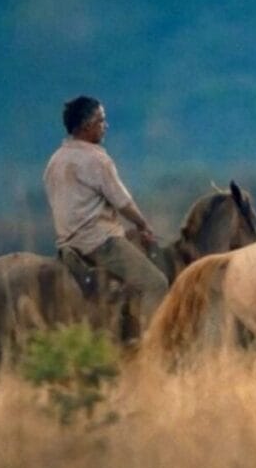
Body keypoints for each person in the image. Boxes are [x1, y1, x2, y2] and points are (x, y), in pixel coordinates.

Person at [43, 95, 169, 328]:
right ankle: (153, 347)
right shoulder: (96, 159)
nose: (105, 126)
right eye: (101, 121)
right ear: (86, 126)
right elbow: (123, 203)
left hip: (66, 247)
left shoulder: (54, 161)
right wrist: (143, 225)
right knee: (156, 283)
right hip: (100, 243)